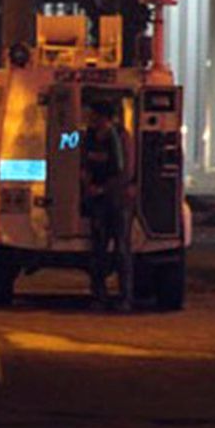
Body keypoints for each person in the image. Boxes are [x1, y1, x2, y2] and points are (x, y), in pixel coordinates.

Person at [82, 100, 134, 310]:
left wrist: (103, 189)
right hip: (99, 199)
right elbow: (83, 162)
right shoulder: (90, 137)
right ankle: (99, 294)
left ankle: (124, 297)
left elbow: (124, 169)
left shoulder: (118, 137)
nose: (91, 118)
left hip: (117, 200)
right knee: (99, 248)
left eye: (94, 115)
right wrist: (87, 184)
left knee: (121, 248)